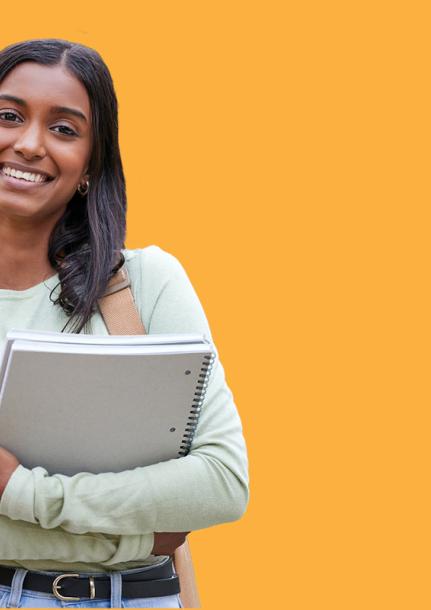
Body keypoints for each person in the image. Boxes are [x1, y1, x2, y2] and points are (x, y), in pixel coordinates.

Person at [0, 38, 249, 608]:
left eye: (64, 129)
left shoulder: (145, 284)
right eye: (8, 116)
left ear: (91, 164)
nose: (30, 143)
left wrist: (22, 491)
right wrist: (133, 534)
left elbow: (221, 483)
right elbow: (169, 524)